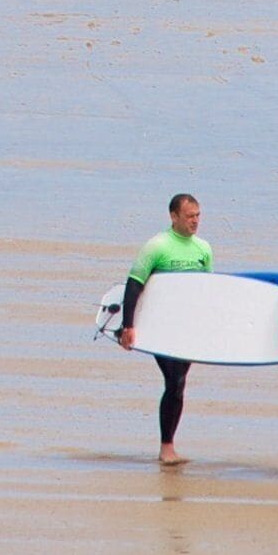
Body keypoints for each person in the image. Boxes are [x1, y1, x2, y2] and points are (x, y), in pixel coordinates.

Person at [112, 193, 219, 464]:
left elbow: (207, 292)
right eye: (189, 216)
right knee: (174, 380)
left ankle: (169, 445)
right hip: (160, 326)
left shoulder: (203, 248)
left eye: (197, 215)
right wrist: (128, 326)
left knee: (179, 385)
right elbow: (134, 284)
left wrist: (209, 327)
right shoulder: (157, 246)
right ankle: (166, 447)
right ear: (173, 216)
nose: (195, 221)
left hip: (188, 328)